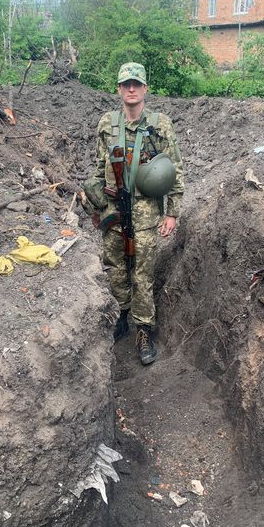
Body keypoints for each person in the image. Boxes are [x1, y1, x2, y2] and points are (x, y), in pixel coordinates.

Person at [84, 62, 184, 365]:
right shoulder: (107, 123)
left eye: (136, 84)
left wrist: (172, 213)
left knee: (142, 274)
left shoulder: (161, 124)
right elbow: (99, 167)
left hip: (144, 212)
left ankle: (144, 329)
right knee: (115, 267)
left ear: (145, 89)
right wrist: (96, 206)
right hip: (114, 209)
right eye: (126, 84)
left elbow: (174, 170)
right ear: (118, 88)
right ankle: (122, 316)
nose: (131, 89)